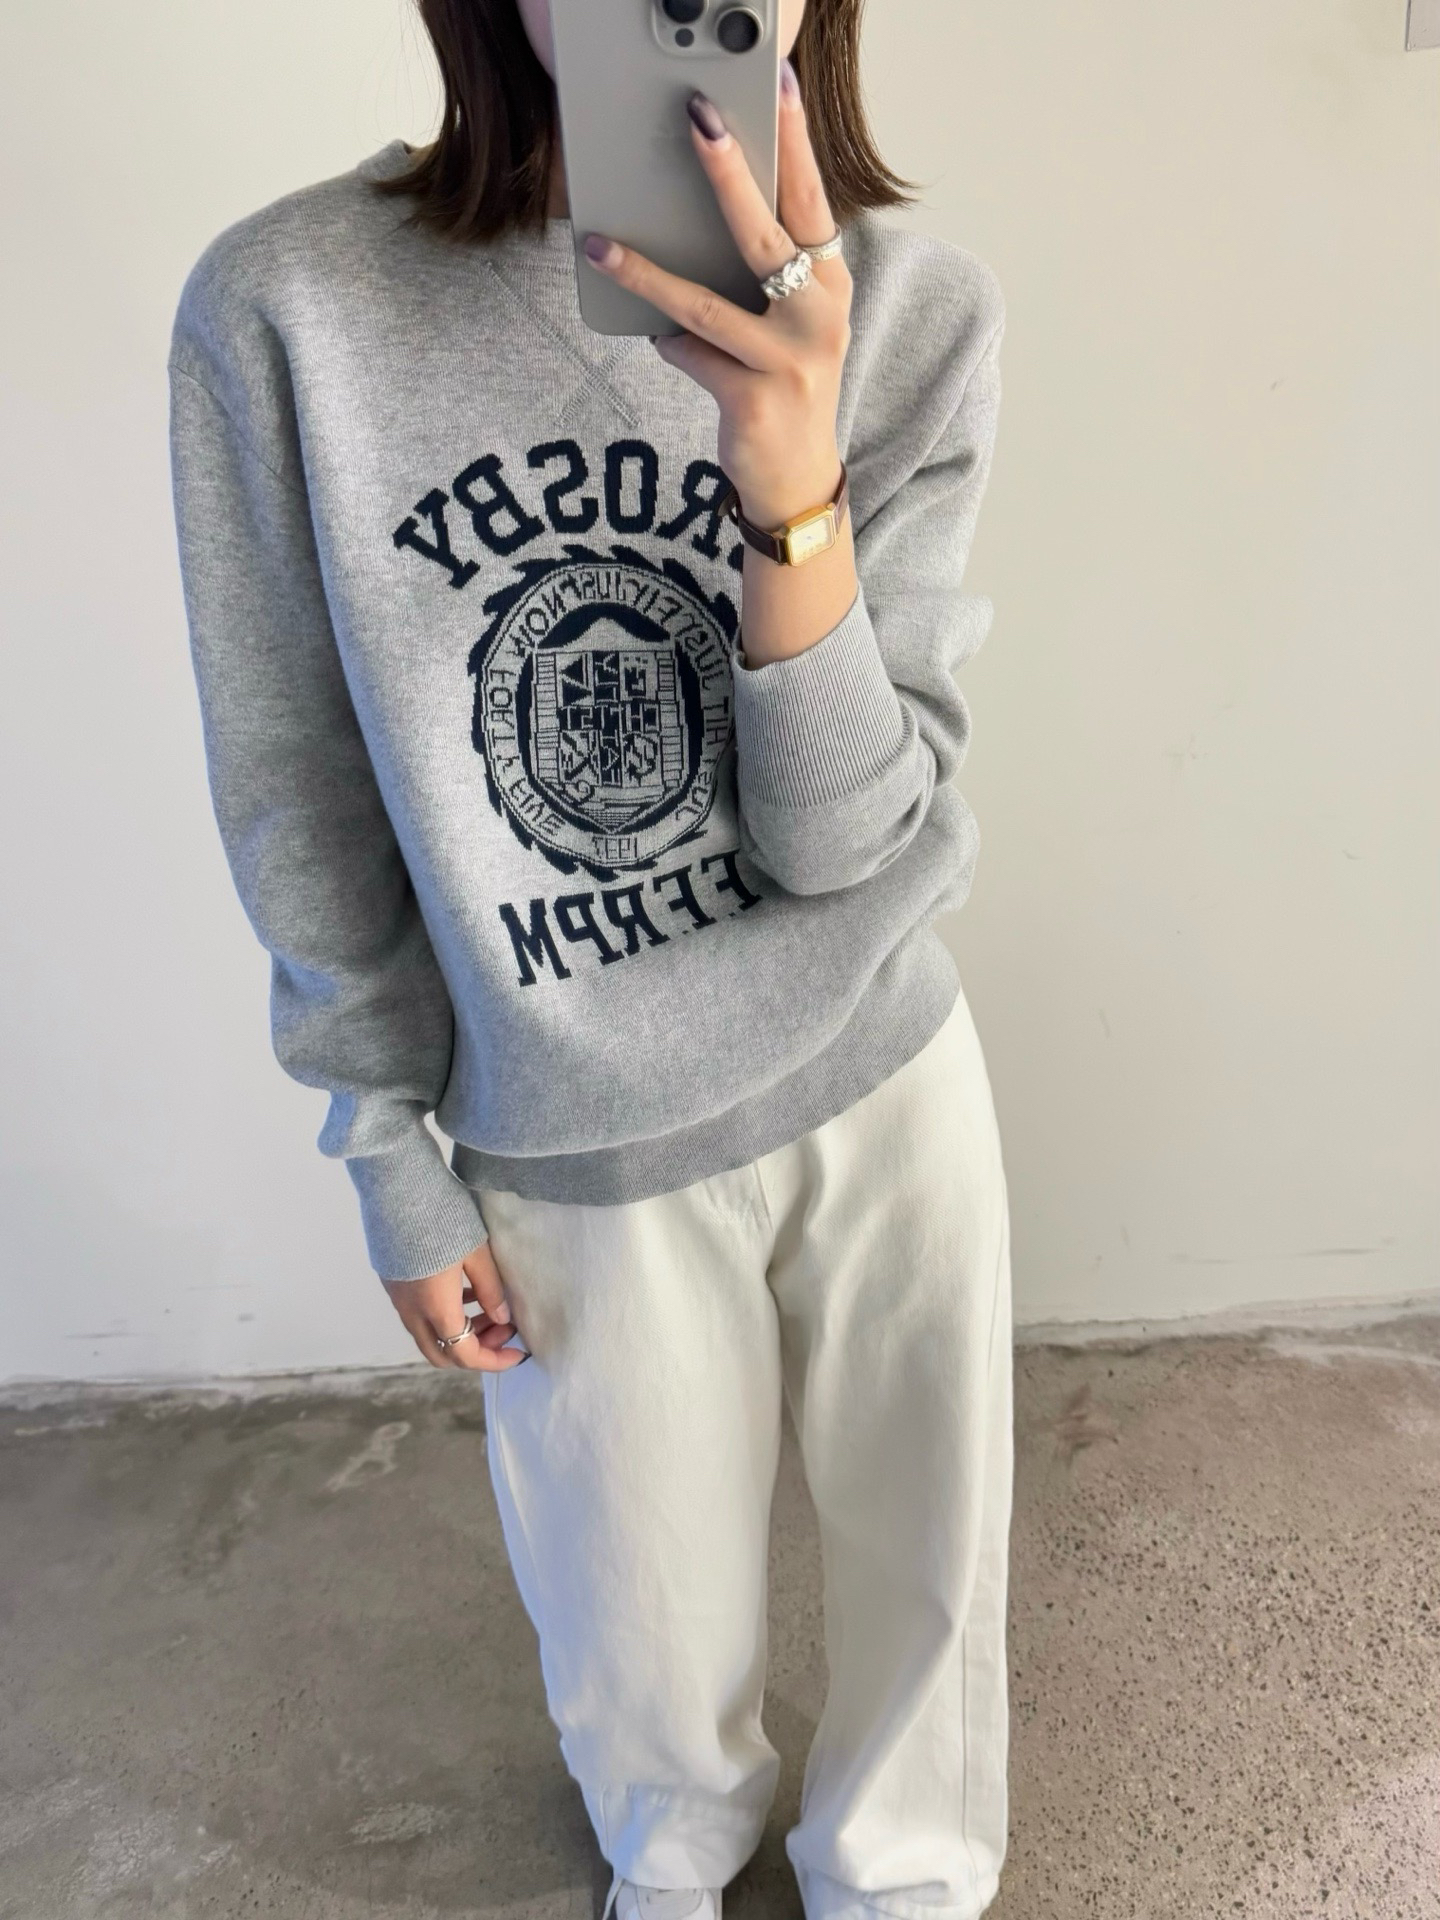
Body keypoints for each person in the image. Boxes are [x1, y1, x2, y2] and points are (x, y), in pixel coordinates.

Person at [167, 2, 1013, 1917]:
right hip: (567, 1120)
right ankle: (674, 1855)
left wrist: (789, 469)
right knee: (638, 1651)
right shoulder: (289, 315)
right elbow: (297, 786)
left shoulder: (915, 308)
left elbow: (845, 843)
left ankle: (906, 1878)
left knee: (929, 1576)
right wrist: (384, 1148)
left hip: (880, 1070)